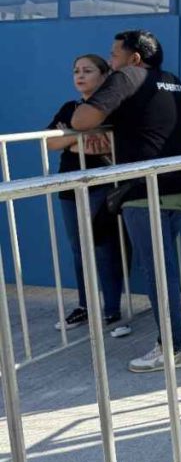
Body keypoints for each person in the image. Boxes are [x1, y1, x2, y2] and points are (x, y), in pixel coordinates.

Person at [70, 30, 181, 372]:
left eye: (114, 55)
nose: (111, 62)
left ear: (134, 58)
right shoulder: (173, 81)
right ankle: (173, 340)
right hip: (180, 186)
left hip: (144, 191)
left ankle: (173, 347)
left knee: (158, 272)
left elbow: (81, 120)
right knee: (165, 269)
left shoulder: (127, 76)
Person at [47, 54, 129, 336]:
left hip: (103, 187)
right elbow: (51, 141)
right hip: (70, 187)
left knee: (105, 248)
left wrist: (69, 135)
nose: (80, 76)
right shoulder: (70, 107)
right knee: (79, 250)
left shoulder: (115, 108)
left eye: (88, 70)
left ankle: (112, 311)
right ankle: (85, 306)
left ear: (104, 75)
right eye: (76, 71)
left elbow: (112, 145)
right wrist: (82, 134)